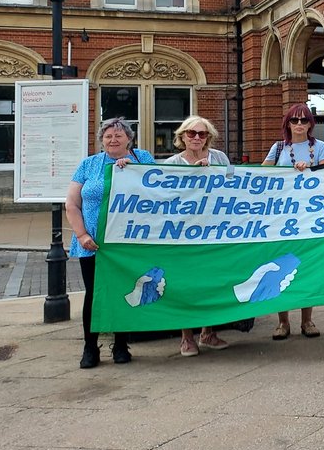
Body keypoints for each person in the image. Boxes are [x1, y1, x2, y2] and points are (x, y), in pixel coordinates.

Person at [65, 117, 155, 369]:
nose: (113, 140)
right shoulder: (88, 165)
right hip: (92, 241)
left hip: (128, 241)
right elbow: (72, 204)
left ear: (129, 139)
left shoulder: (142, 159)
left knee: (123, 291)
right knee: (94, 294)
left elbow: (158, 192)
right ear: (101, 140)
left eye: (118, 135)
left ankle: (120, 344)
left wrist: (134, 173)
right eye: (108, 136)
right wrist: (82, 235)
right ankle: (90, 347)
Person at [262, 103, 324, 340]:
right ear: (288, 124)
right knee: (281, 266)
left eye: (304, 120)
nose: (299, 124)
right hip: (282, 218)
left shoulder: (319, 147)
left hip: (309, 217)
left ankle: (307, 320)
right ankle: (283, 322)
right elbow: (262, 176)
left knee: (306, 267)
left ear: (311, 124)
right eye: (295, 120)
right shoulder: (279, 147)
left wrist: (309, 169)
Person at [165, 116, 232, 357]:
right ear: (182, 136)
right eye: (191, 133)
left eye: (202, 134)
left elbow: (235, 183)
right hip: (183, 234)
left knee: (211, 282)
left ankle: (208, 332)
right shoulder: (172, 162)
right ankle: (186, 337)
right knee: (185, 284)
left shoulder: (220, 158)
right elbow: (160, 193)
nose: (196, 138)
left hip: (215, 231)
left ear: (209, 137)